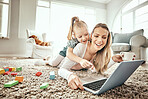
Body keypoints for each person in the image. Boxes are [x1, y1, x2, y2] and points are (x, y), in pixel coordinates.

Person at [58, 23, 122, 90]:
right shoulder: (81, 47)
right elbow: (62, 69)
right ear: (91, 35)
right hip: (61, 61)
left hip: (78, 68)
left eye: (104, 37)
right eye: (96, 36)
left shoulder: (100, 53)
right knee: (53, 62)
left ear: (107, 39)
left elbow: (99, 69)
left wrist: (113, 60)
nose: (100, 40)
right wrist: (70, 76)